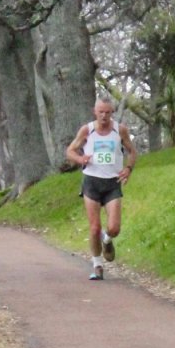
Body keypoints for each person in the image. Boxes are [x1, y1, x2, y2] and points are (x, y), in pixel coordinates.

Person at [65, 98, 139, 281]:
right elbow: (70, 151)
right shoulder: (87, 130)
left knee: (114, 228)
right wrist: (80, 159)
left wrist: (128, 169)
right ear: (95, 112)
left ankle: (107, 240)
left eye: (107, 112)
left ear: (112, 112)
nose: (104, 116)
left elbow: (132, 152)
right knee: (95, 227)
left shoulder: (120, 130)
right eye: (101, 112)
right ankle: (97, 266)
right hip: (92, 182)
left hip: (112, 183)